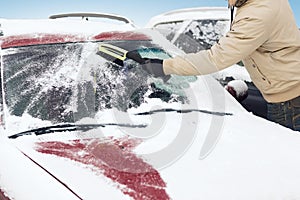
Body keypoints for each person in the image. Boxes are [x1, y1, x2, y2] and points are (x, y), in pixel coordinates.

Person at [143, 0, 300, 131]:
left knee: (289, 160)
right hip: (291, 87)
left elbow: (217, 58)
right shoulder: (264, 3)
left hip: (288, 99)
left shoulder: (256, 14)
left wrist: (165, 66)